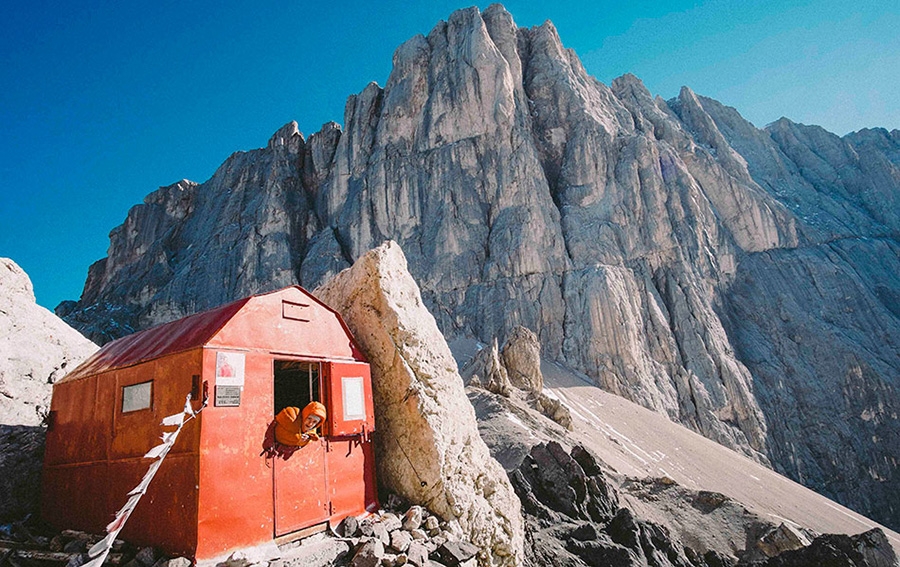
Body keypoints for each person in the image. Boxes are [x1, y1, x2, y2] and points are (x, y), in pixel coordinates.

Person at [261, 401, 327, 460]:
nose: (310, 423)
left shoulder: (312, 433)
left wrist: (306, 438)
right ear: (304, 415)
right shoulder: (291, 417)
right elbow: (276, 429)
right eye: (309, 418)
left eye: (314, 422)